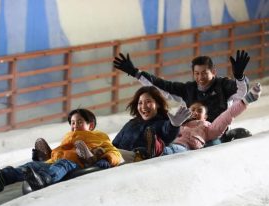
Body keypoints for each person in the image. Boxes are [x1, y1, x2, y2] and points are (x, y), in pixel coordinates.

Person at [113, 50, 250, 145]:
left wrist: (239, 77)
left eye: (204, 73)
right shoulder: (188, 89)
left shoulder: (223, 85)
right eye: (196, 73)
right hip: (191, 134)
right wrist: (136, 73)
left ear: (213, 72)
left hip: (215, 134)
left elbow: (242, 93)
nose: (200, 78)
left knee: (211, 146)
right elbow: (162, 86)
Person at [0, 108, 122, 192]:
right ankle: (3, 177)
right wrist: (45, 158)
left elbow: (113, 151)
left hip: (79, 163)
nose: (75, 126)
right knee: (32, 166)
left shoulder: (99, 136)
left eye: (79, 122)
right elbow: (59, 154)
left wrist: (107, 159)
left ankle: (44, 179)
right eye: (73, 123)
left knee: (64, 164)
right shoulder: (67, 138)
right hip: (59, 160)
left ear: (90, 125)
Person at [162, 83, 262, 155]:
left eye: (199, 111)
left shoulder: (206, 127)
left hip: (183, 148)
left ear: (205, 117)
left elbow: (226, 117)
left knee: (174, 149)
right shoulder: (177, 124)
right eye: (192, 110)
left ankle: (159, 151)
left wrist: (246, 100)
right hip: (166, 143)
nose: (195, 112)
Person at [112, 86, 191, 162]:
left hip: (137, 158)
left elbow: (168, 133)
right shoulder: (131, 124)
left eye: (148, 102)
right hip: (117, 157)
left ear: (158, 104)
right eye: (140, 103)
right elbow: (114, 144)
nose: (144, 106)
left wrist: (174, 125)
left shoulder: (162, 123)